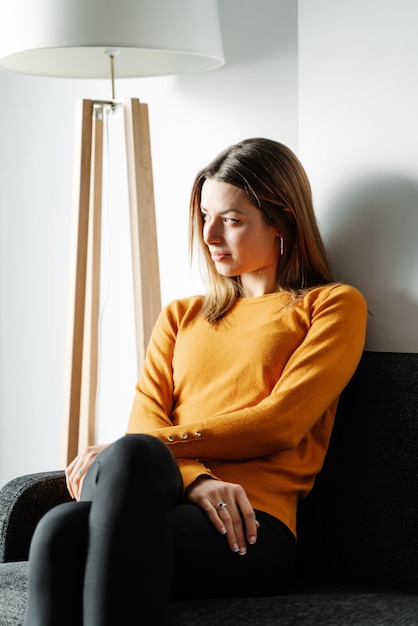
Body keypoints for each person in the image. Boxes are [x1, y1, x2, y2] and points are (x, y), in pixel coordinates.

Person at [23, 138, 367, 625]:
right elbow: (146, 415)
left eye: (231, 219)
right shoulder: (182, 315)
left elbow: (280, 423)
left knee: (134, 454)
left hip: (249, 526)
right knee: (57, 529)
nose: (208, 234)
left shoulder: (330, 305)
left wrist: (139, 451)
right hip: (164, 499)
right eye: (205, 215)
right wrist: (195, 480)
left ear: (281, 221)